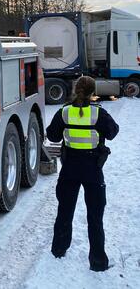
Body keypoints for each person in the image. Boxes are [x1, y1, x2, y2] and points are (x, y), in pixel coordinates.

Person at [46, 76, 119, 271]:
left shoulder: (64, 112)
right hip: (93, 169)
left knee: (64, 211)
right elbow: (113, 132)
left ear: (75, 90)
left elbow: (52, 135)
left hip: (69, 168)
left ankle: (58, 250)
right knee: (95, 216)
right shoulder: (99, 114)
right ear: (93, 92)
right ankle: (97, 262)